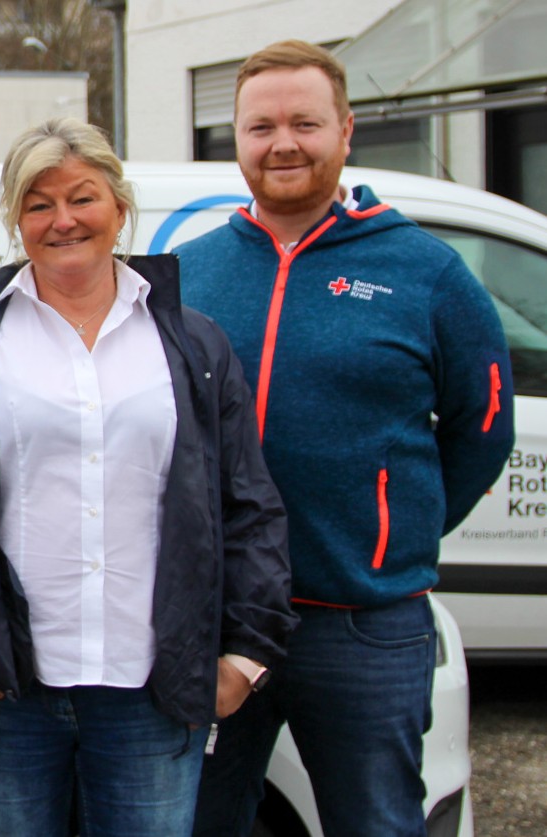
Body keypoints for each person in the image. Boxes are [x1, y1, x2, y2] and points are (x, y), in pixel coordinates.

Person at [0, 116, 296, 836]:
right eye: (39, 204)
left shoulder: (191, 343)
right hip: (7, 687)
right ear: (16, 220)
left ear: (120, 206)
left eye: (83, 197)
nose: (63, 220)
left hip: (154, 689)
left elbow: (249, 505)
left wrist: (245, 655)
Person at [182, 40, 514, 837]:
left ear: (346, 130)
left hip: (363, 622)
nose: (283, 143)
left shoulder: (425, 271)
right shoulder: (189, 270)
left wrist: (396, 531)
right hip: (217, 616)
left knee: (376, 824)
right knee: (197, 822)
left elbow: (484, 427)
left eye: (305, 122)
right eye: (261, 126)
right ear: (237, 136)